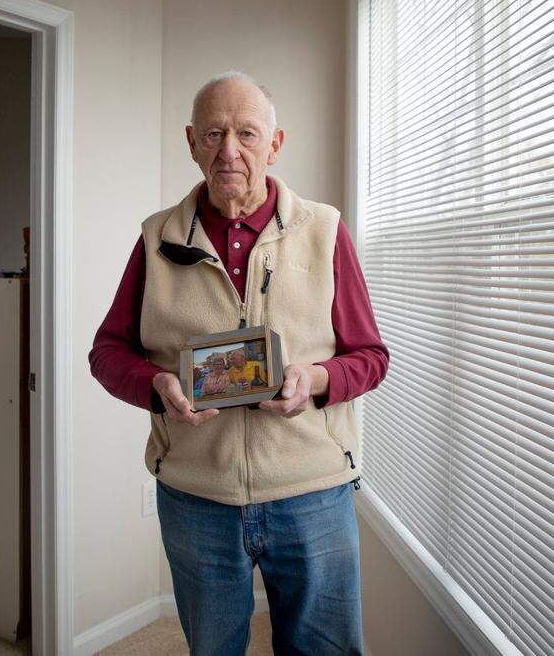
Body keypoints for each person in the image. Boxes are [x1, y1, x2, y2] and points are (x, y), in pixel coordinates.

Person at [89, 71, 388, 655]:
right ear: (191, 142)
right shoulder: (155, 238)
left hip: (313, 492)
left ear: (274, 144)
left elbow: (371, 357)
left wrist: (316, 380)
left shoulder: (324, 230)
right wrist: (157, 385)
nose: (229, 150)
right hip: (196, 497)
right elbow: (107, 353)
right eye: (213, 133)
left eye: (247, 134)